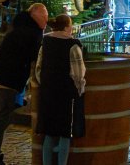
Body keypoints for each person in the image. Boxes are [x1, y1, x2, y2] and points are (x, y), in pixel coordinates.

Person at [0, 5, 49, 165]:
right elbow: (36, 61)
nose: (46, 19)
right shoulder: (33, 34)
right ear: (35, 16)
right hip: (6, 82)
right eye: (44, 16)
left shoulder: (19, 27)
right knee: (1, 120)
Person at [31, 13, 87, 165]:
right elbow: (78, 72)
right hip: (66, 92)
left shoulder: (46, 42)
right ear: (67, 27)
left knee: (49, 132)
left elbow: (39, 67)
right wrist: (80, 88)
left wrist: (46, 82)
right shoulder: (73, 45)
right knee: (64, 133)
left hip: (48, 91)